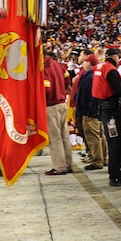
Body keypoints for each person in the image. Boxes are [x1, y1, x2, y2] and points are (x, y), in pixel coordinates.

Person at [92, 47, 121, 187]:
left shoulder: (99, 67)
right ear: (116, 57)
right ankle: (116, 176)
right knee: (116, 143)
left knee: (113, 142)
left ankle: (115, 175)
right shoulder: (110, 70)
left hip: (104, 109)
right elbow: (118, 90)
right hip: (112, 111)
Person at [43, 44, 73, 175]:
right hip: (62, 103)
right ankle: (68, 164)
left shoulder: (43, 67)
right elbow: (68, 81)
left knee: (55, 137)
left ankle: (59, 166)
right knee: (64, 135)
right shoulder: (59, 65)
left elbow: (46, 88)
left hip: (51, 105)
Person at [75, 53, 105, 170]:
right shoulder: (93, 74)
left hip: (90, 112)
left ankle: (97, 161)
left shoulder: (89, 76)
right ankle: (103, 158)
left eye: (84, 61)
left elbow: (88, 96)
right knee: (99, 136)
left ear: (89, 62)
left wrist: (86, 112)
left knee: (93, 137)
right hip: (96, 111)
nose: (83, 63)